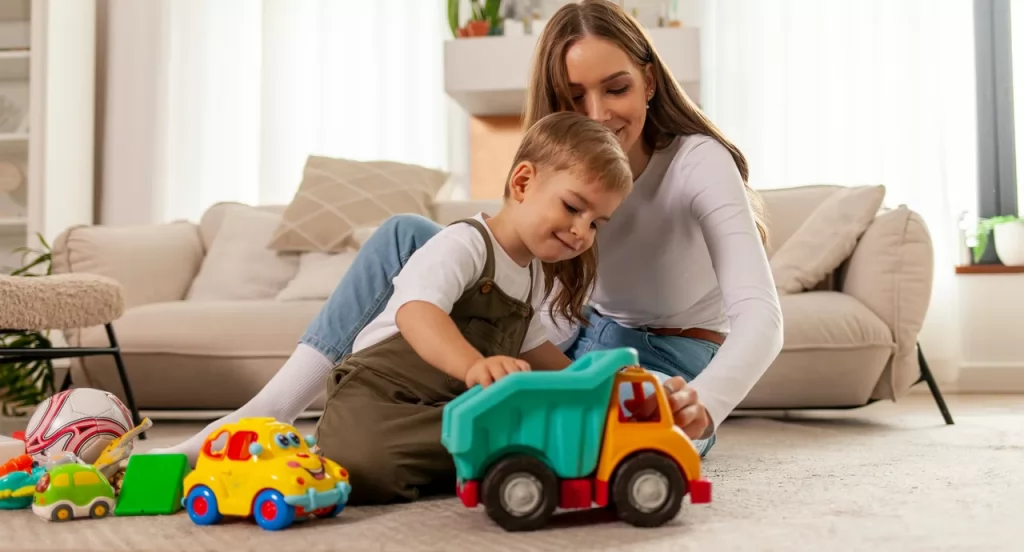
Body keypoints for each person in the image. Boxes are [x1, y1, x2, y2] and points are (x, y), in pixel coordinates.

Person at [156, 0, 784, 480]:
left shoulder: (698, 162)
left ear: (649, 81)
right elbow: (503, 270)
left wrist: (703, 402)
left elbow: (762, 318)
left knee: (625, 454)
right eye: (574, 98)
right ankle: (261, 416)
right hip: (580, 338)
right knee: (406, 236)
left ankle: (411, 447)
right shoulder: (558, 180)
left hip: (668, 361)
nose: (598, 114)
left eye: (616, 87)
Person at [313, 111, 632, 504]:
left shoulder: (532, 274)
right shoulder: (464, 243)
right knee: (359, 464)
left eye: (597, 223)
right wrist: (472, 365)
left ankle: (469, 463)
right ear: (523, 182)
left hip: (445, 408)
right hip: (379, 396)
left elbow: (533, 347)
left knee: (526, 432)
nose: (582, 231)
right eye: (572, 207)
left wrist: (590, 384)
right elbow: (417, 312)